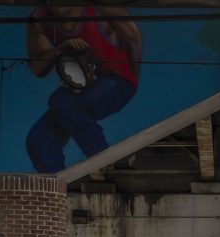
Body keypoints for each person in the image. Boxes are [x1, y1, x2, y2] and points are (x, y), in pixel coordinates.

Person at [25, 3, 141, 173]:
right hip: (81, 88)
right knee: (39, 139)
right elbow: (38, 68)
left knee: (62, 101)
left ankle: (103, 162)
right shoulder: (38, 18)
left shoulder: (100, 7)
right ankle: (58, 192)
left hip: (117, 81)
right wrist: (61, 49)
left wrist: (133, 79)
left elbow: (133, 37)